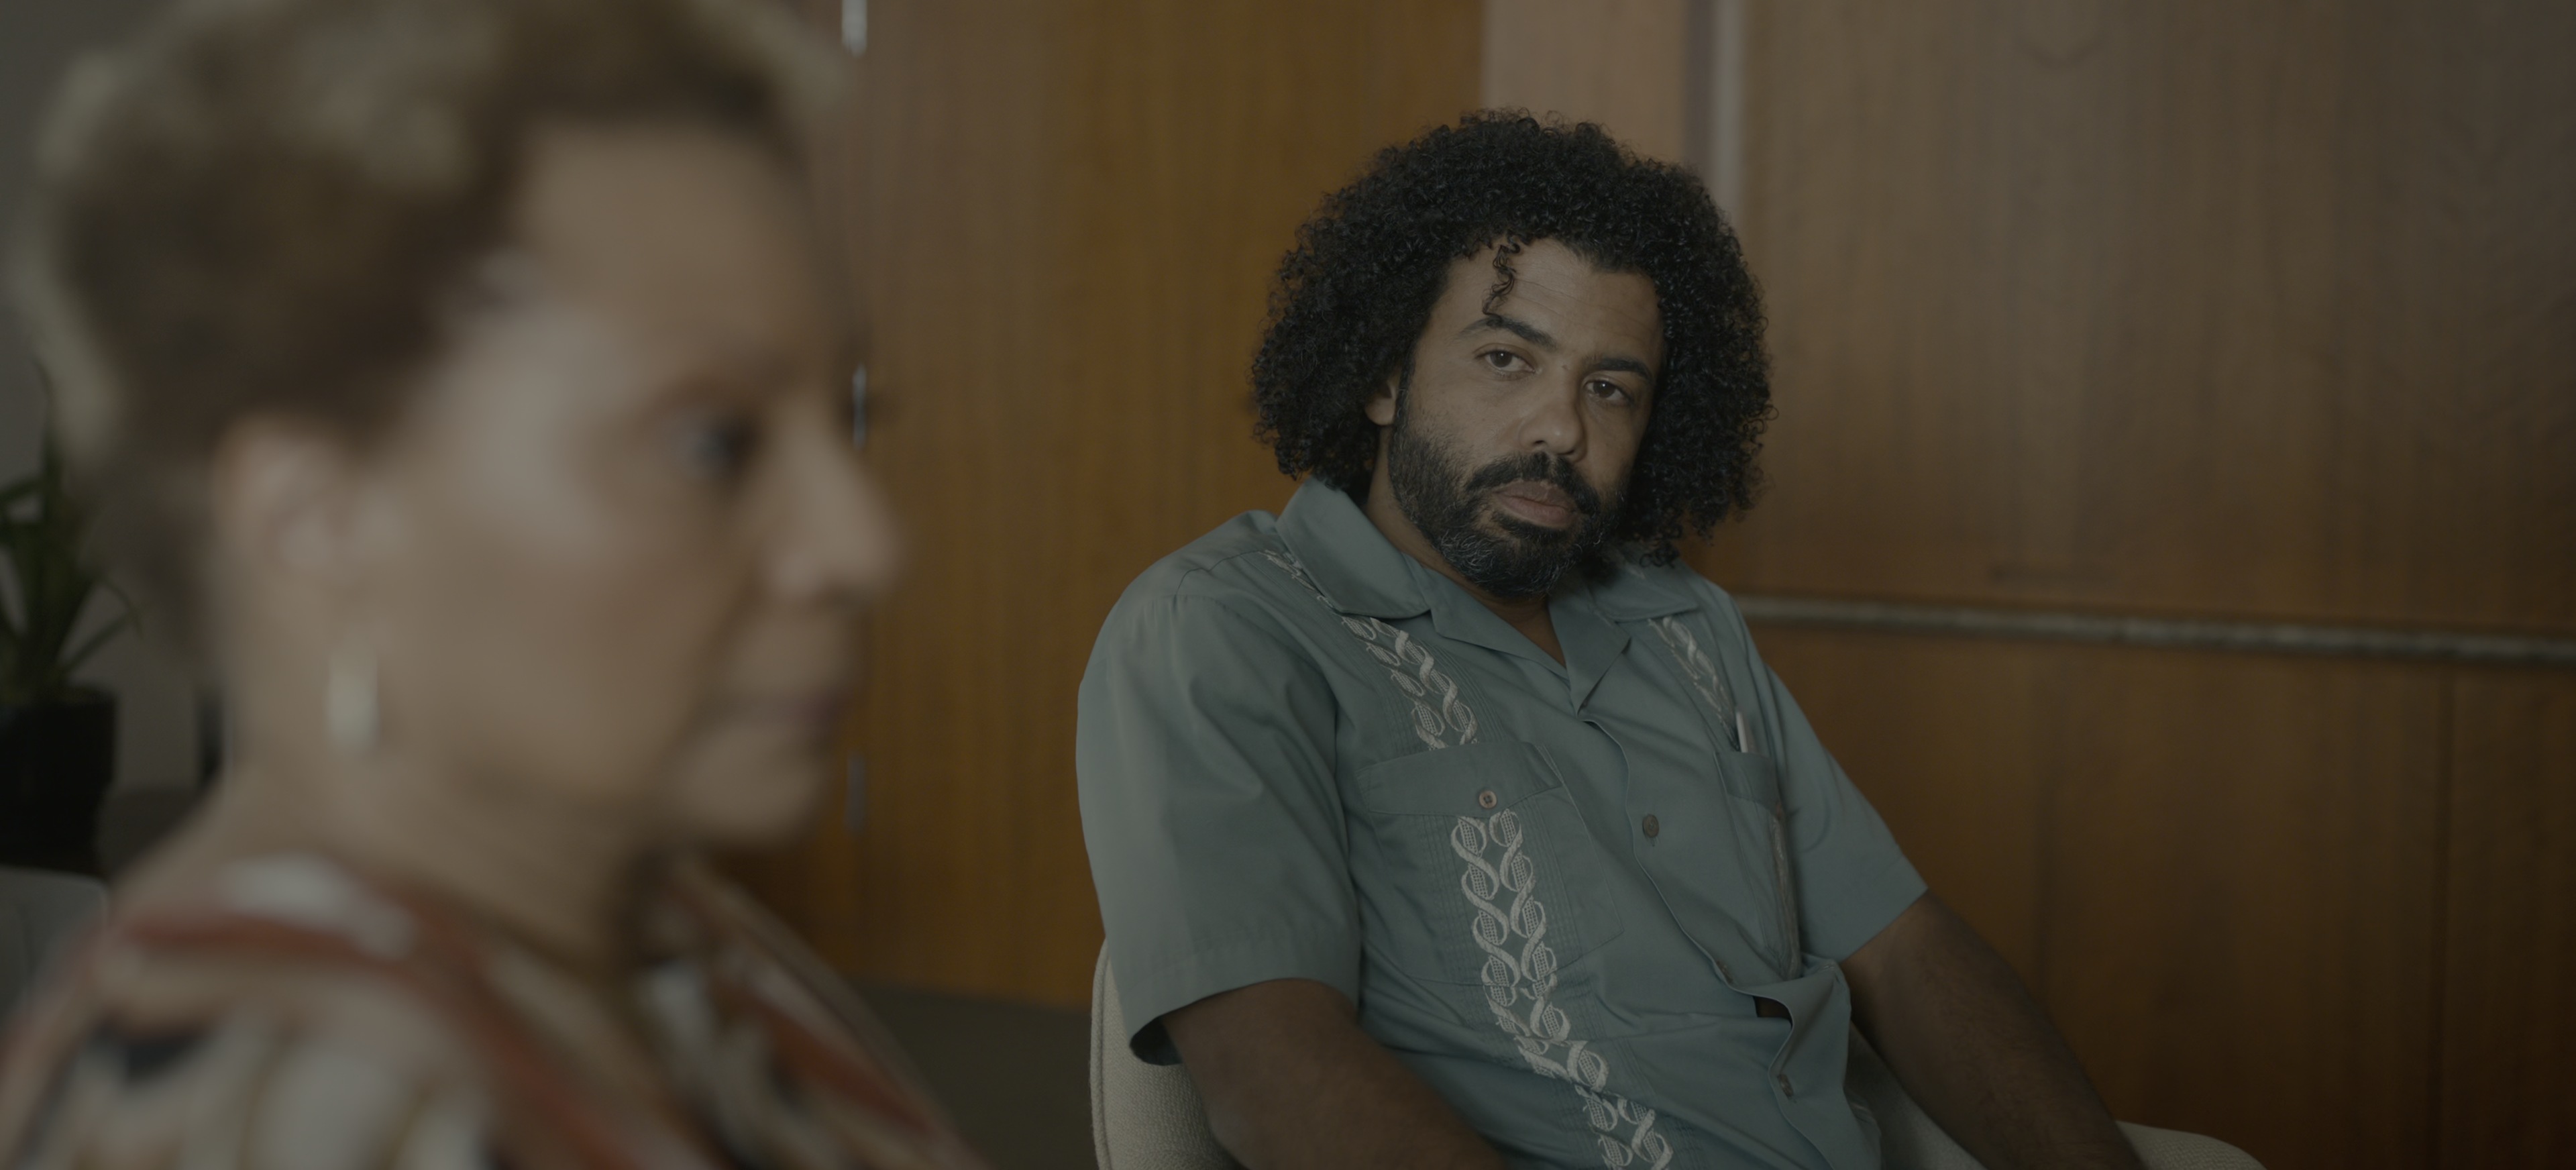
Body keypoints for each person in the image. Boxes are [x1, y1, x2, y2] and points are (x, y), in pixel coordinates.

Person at [0, 1, 984, 1167]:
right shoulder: (320, 1106)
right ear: (316, 518)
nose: (864, 543)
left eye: (849, 417)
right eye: (711, 444)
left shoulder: (652, 933)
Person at [1077, 114, 2147, 1170]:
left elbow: (1900, 947)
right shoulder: (1226, 631)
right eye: (1507, 358)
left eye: (1609, 387)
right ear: (1383, 376)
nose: (1562, 429)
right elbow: (1271, 1077)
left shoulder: (1687, 623)